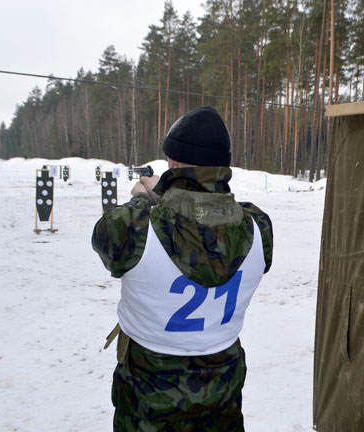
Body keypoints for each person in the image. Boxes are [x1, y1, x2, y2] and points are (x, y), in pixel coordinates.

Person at [92, 106, 273, 431]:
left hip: (146, 414)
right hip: (223, 409)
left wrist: (144, 197)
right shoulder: (259, 227)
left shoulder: (134, 226)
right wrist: (167, 193)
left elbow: (104, 237)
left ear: (173, 164)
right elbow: (208, 216)